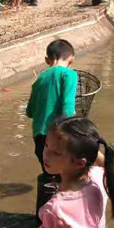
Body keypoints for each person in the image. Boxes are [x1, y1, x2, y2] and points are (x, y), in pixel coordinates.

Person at [26, 39, 77, 177]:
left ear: (46, 60)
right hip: (57, 136)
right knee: (66, 177)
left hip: (39, 137)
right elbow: (67, 106)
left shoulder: (39, 79)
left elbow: (29, 112)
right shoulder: (69, 75)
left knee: (50, 175)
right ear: (70, 60)